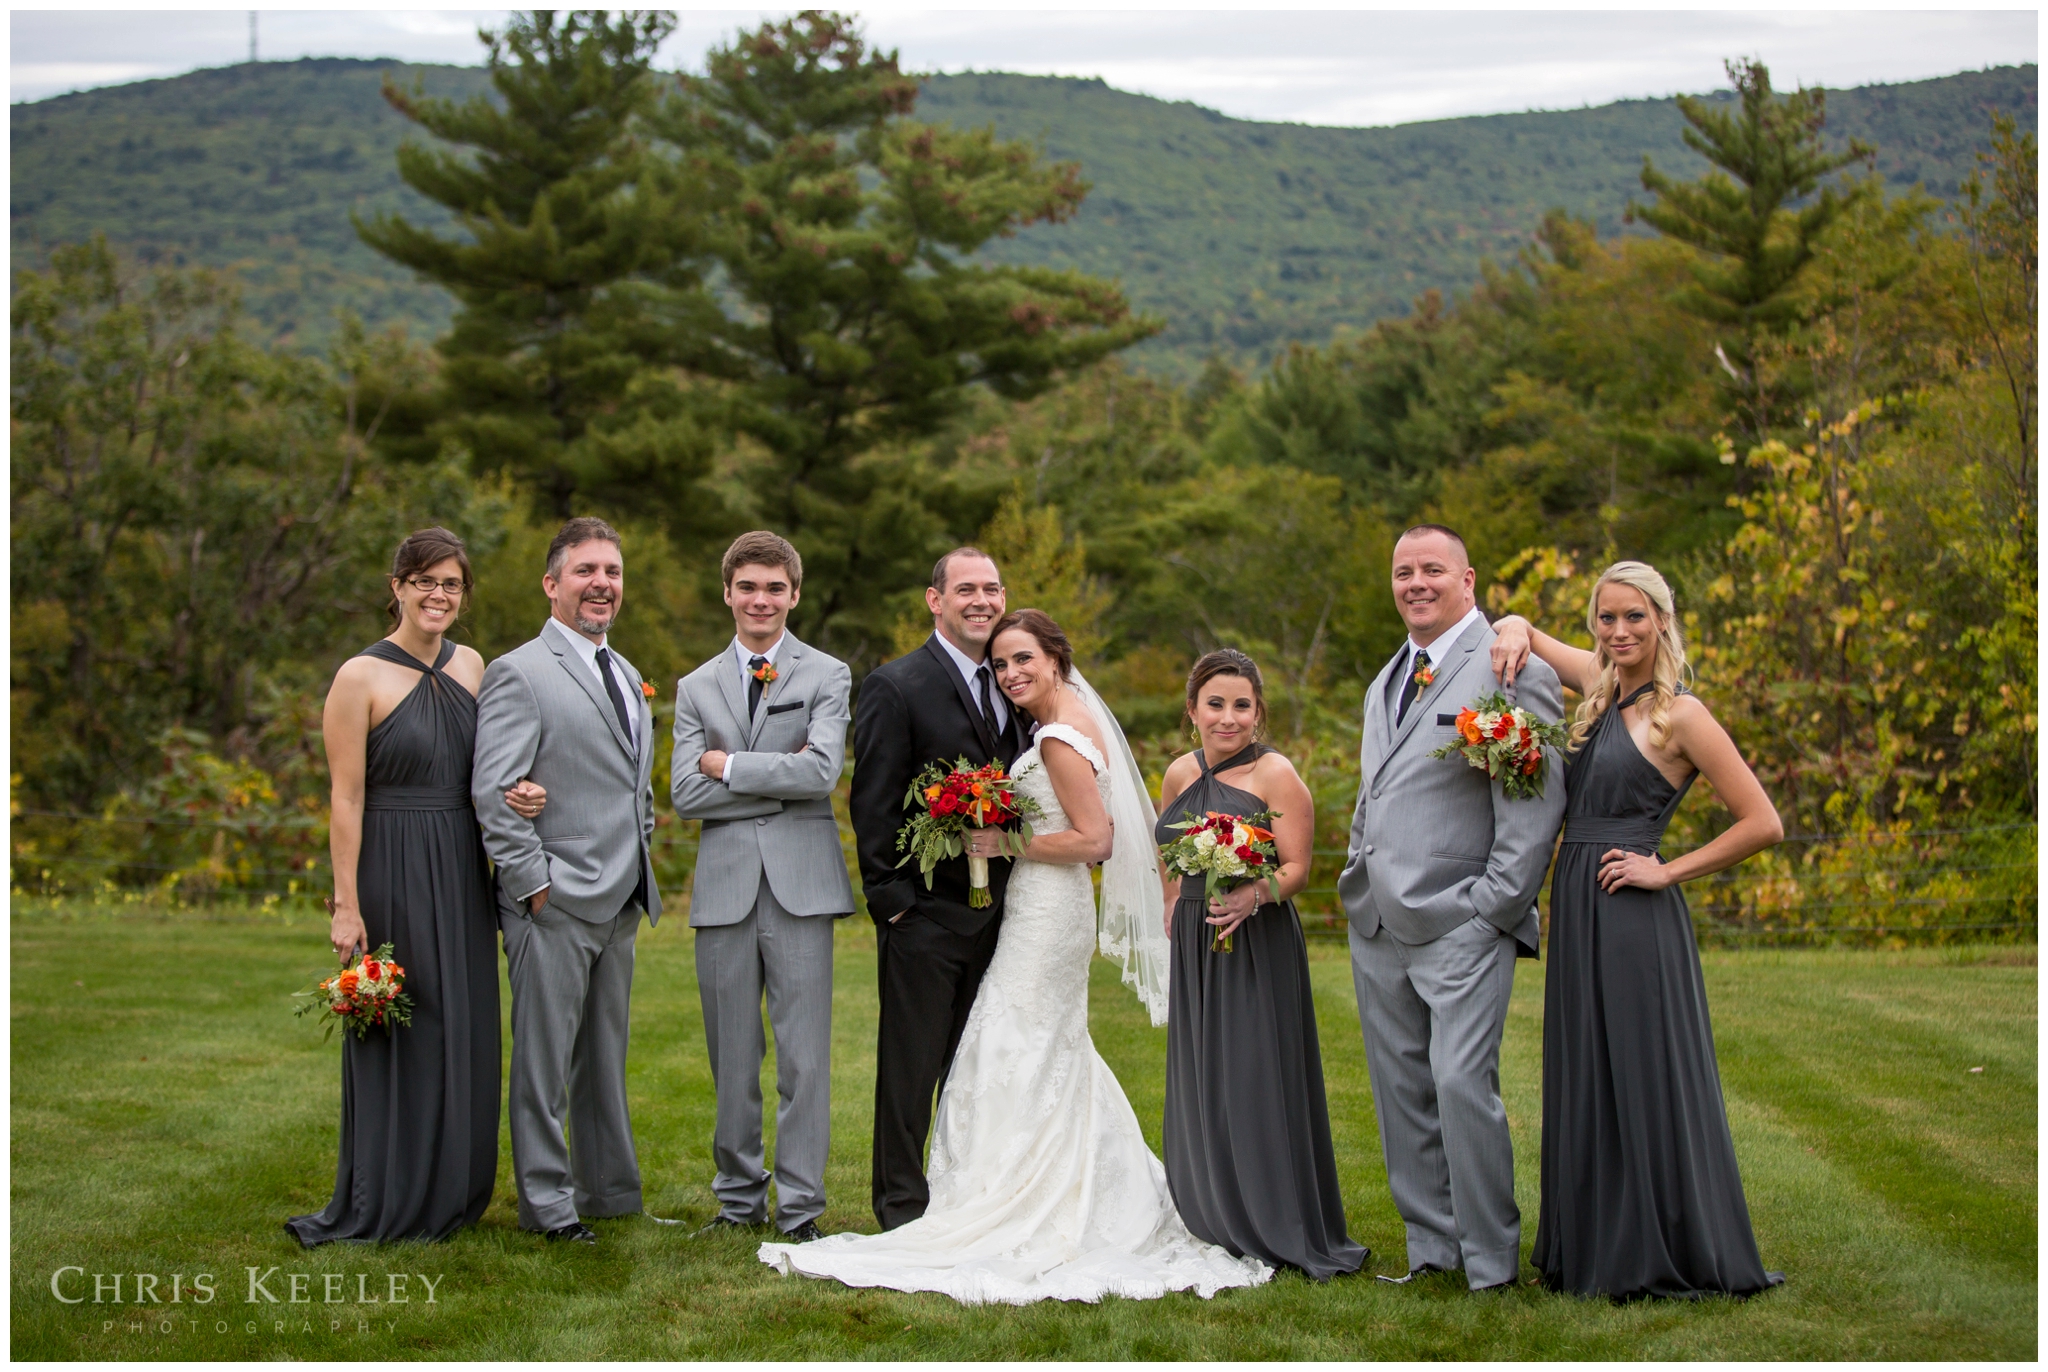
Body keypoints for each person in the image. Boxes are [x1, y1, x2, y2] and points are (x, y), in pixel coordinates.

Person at [760, 611, 1270, 1303]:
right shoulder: (1064, 724)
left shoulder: (1059, 737)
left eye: (1024, 658)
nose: (1011, 674)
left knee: (1015, 1042)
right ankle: (1042, 1181)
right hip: (1040, 910)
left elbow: (1096, 840)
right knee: (1039, 1046)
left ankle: (1013, 1195)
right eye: (1001, 665)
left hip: (1045, 911)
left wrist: (1003, 845)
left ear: (1056, 657)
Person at [1492, 561, 1787, 1301]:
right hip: (1578, 906)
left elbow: (1764, 823)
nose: (1619, 631)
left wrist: (1667, 869)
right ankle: (1595, 1242)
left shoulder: (1680, 715)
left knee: (1642, 1073)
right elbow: (1524, 628)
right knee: (1588, 1067)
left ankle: (1658, 1247)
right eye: (1606, 618)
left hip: (1633, 913)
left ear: (1662, 620)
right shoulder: (1595, 692)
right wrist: (1507, 628)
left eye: (1634, 617)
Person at [287, 527, 546, 1247]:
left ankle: (452, 1192)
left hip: (462, 862)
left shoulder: (473, 666)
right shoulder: (359, 677)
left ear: (464, 596)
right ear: (397, 586)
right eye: (425, 581)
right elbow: (345, 798)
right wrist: (347, 905)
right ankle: (386, 1195)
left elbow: (491, 771)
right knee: (400, 1027)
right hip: (391, 864)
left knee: (461, 1022)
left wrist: (520, 794)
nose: (439, 595)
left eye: (452, 584)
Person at [1336, 523, 1566, 1291]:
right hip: (1378, 921)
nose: (1416, 584)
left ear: (1469, 580)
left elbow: (1534, 800)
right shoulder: (1386, 677)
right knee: (1402, 1092)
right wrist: (1356, 871)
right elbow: (1377, 791)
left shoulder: (1508, 664)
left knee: (1463, 1085)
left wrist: (1495, 906)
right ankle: (1433, 1251)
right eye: (1403, 572)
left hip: (1464, 922)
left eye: (1433, 569)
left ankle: (1492, 1261)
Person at [471, 517, 662, 1246]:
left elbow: (634, 789)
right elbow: (494, 791)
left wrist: (640, 858)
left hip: (618, 899)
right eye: (585, 571)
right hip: (552, 902)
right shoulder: (519, 670)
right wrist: (532, 885)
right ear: (552, 584)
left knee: (602, 1059)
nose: (601, 584)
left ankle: (609, 1194)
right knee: (544, 1064)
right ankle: (549, 1207)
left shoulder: (624, 671)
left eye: (611, 571)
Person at [1157, 649, 1370, 1281]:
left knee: (1255, 1074)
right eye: (1215, 704)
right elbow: (1168, 850)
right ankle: (1212, 1211)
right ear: (1192, 710)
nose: (1228, 718)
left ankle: (1275, 1215)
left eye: (1241, 705)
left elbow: (1298, 869)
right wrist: (1174, 902)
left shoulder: (1277, 775)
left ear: (1259, 712)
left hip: (1256, 941)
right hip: (1199, 941)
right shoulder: (1176, 773)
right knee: (1204, 1073)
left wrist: (1253, 895)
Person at [671, 531, 854, 1244]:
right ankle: (738, 1201)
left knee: (804, 1058)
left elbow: (821, 775)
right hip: (722, 890)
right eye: (748, 586)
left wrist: (727, 765)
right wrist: (763, 778)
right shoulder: (695, 685)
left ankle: (802, 1207)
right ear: (728, 592)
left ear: (794, 595)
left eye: (775, 588)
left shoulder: (827, 674)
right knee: (733, 1056)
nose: (761, 599)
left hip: (802, 887)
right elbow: (686, 791)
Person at [847, 548, 1030, 1231]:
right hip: (923, 917)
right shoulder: (896, 685)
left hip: (1004, 919)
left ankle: (967, 1198)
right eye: (965, 589)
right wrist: (894, 903)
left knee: (984, 1066)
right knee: (910, 1070)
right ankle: (900, 1208)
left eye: (991, 589)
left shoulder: (1018, 685)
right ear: (936, 600)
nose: (980, 600)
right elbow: (872, 802)